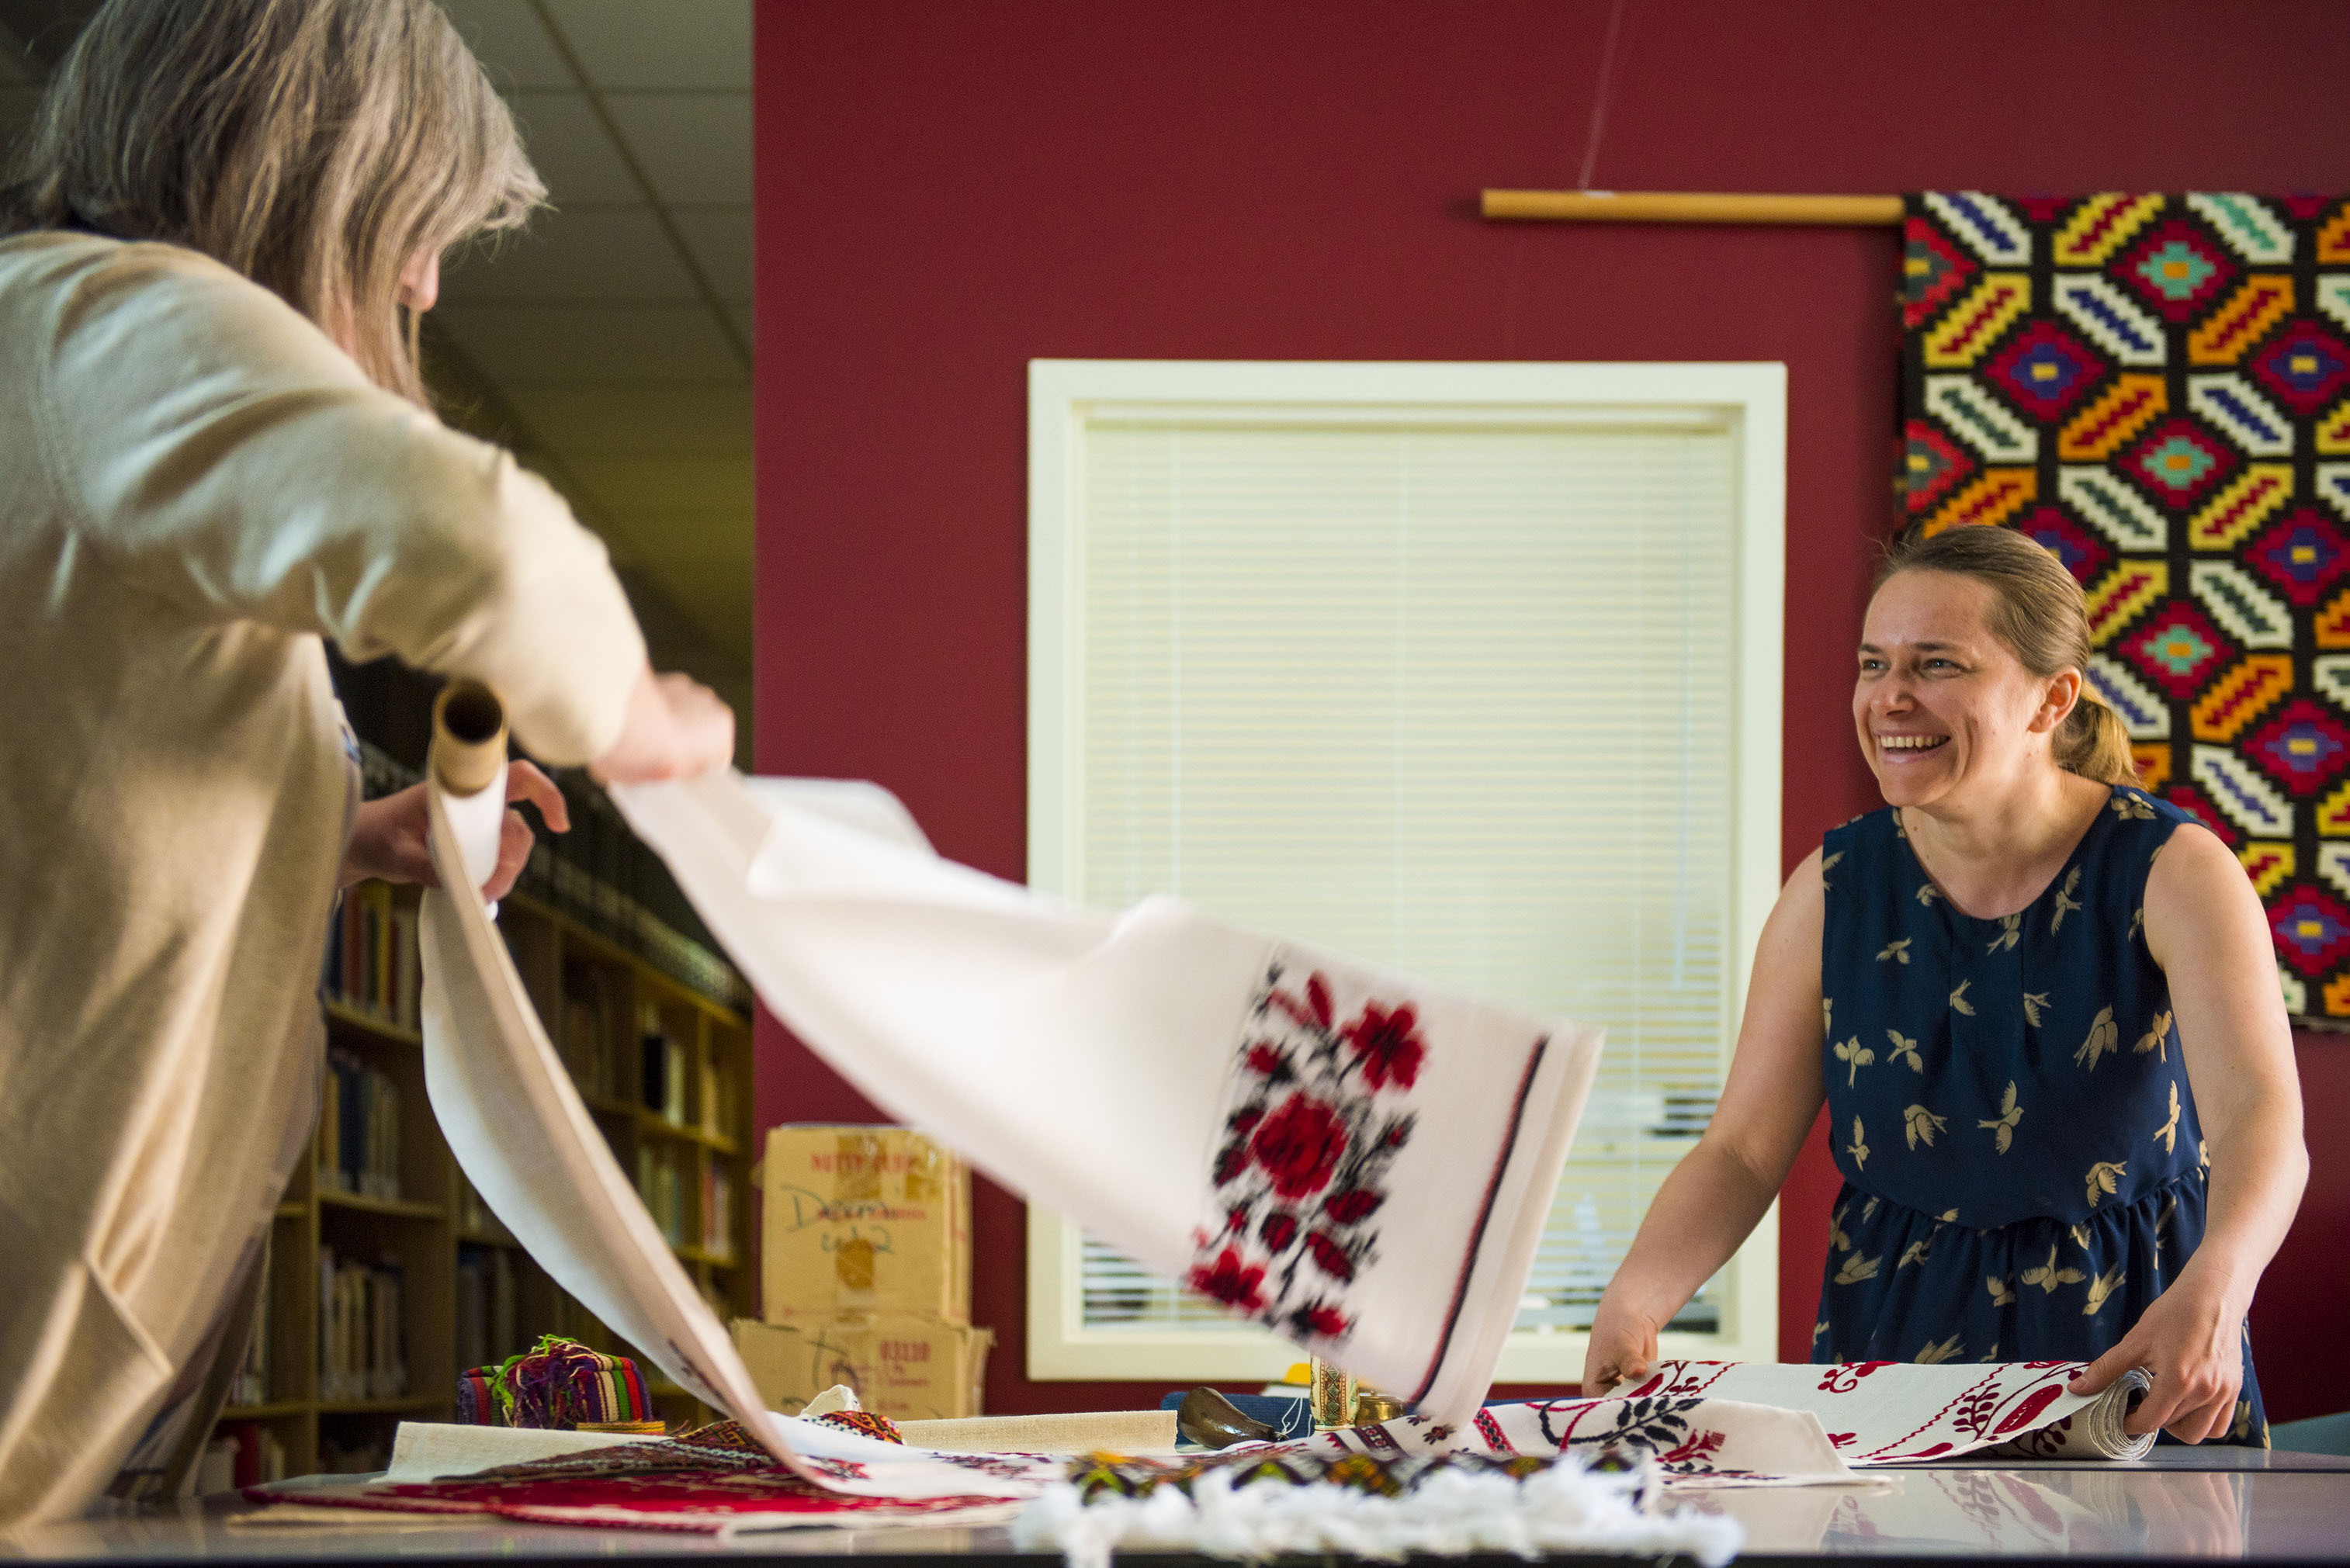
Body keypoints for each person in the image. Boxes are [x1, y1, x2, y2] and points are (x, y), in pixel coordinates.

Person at [0, 0, 734, 1522]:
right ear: (312, 176)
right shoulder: (111, 322)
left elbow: (76, 777)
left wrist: (342, 828)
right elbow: (474, 540)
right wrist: (637, 718)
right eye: (415, 224)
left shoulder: (61, 365)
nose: (425, 278)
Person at [1584, 524, 2307, 1447]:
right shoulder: (1830, 887)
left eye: (1937, 664)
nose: (1890, 696)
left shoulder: (2173, 870)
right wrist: (1637, 1295)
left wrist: (2219, 1283)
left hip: (2134, 1342)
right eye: (1873, 662)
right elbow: (1740, 1151)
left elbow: (2262, 1122)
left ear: (2052, 700)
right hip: (1889, 1357)